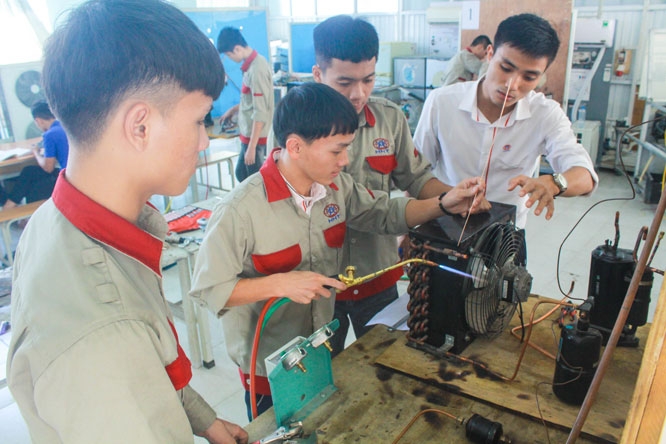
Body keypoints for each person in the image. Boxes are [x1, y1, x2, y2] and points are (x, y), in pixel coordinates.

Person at [6, 1, 248, 443]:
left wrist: (204, 421)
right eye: (199, 121)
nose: (203, 141)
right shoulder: (101, 340)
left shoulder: (60, 220)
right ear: (140, 126)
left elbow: (151, 363)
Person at [190, 82, 484, 420]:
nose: (345, 160)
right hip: (271, 368)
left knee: (321, 425)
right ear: (295, 147)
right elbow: (209, 290)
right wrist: (281, 283)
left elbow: (383, 212)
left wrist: (444, 203)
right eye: (337, 151)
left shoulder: (334, 187)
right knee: (277, 432)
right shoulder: (239, 211)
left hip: (319, 349)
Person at [311, 15, 450, 356]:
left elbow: (417, 178)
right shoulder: (296, 128)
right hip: (318, 286)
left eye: (368, 80)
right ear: (318, 75)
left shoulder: (390, 119)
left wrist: (455, 198)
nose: (358, 93)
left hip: (378, 276)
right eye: (345, 82)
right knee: (322, 377)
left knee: (386, 367)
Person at [414, 13, 598, 230]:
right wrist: (409, 229)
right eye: (506, 68)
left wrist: (555, 182)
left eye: (529, 77)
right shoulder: (442, 102)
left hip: (505, 238)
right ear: (490, 54)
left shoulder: (545, 114)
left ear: (541, 76)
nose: (512, 85)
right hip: (442, 229)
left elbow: (585, 176)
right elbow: (415, 175)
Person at [217, 27, 274, 182]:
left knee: (254, 181)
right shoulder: (249, 67)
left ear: (237, 49)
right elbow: (250, 102)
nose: (229, 59)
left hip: (255, 137)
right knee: (242, 174)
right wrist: (233, 110)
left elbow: (260, 110)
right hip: (248, 134)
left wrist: (252, 147)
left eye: (229, 55)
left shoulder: (257, 69)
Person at [0, 100, 69, 209]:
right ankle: (10, 207)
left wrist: (36, 152)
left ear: (38, 120)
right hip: (73, 173)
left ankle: (8, 208)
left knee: (28, 174)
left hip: (66, 178)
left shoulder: (49, 134)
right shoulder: (65, 126)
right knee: (30, 171)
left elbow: (48, 168)